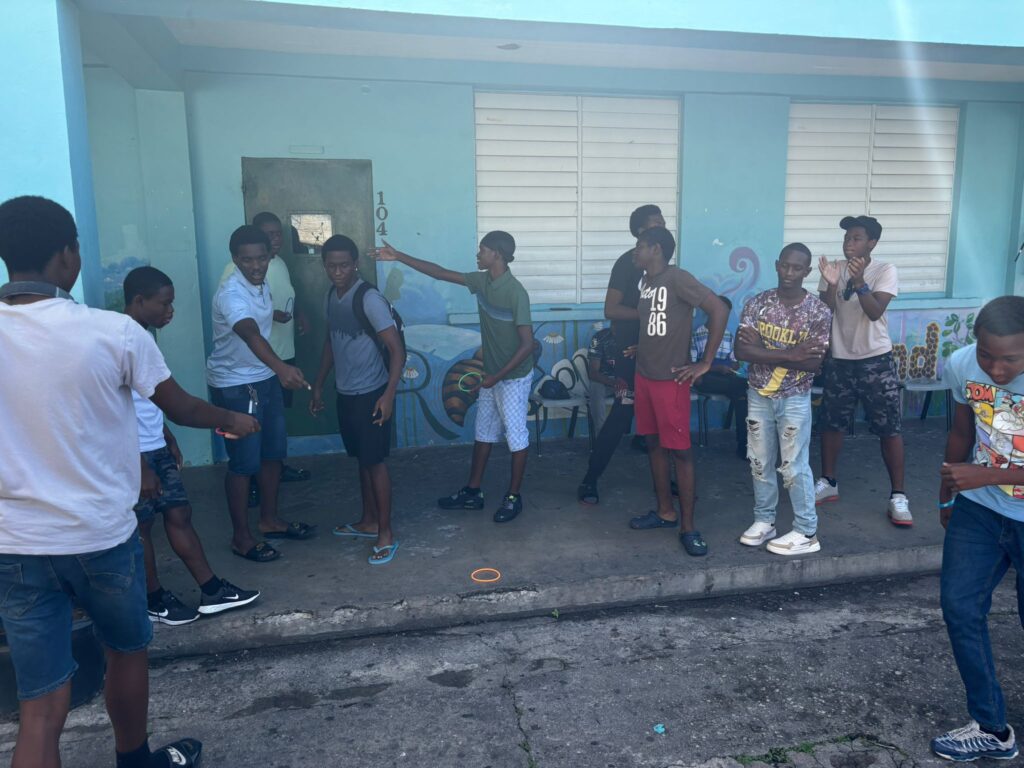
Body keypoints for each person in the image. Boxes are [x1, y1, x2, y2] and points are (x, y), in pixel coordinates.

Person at [0, 195, 259, 768]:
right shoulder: (111, 332)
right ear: (68, 255)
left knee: (39, 707)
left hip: (14, 542)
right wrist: (232, 419)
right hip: (99, 536)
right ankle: (135, 760)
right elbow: (181, 406)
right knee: (125, 652)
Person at [124, 266, 260, 624]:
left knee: (179, 513)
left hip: (154, 444)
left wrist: (165, 434)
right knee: (142, 527)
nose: (170, 311)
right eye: (164, 303)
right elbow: (111, 408)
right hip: (133, 453)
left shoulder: (143, 337)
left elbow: (148, 399)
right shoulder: (123, 340)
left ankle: (212, 591)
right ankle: (153, 599)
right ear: (138, 301)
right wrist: (138, 463)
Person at [374, 232, 534, 523]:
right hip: (492, 375)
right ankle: (473, 492)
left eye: (482, 250)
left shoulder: (516, 292)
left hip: (513, 378)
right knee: (483, 433)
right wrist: (398, 256)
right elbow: (439, 273)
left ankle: (514, 497)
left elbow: (527, 345)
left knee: (516, 436)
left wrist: (497, 376)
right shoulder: (482, 282)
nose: (478, 254)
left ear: (497, 254)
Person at [930, 296, 1024, 761]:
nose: (996, 369)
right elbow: (962, 433)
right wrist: (948, 493)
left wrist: (984, 475)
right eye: (987, 355)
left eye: (1010, 359)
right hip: (980, 510)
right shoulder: (961, 364)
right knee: (960, 608)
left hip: (993, 491)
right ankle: (991, 727)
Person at [207, 224, 315, 563]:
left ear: (270, 256)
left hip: (264, 378)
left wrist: (281, 315)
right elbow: (250, 333)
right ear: (234, 259)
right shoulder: (231, 294)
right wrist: (282, 368)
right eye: (247, 260)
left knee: (272, 455)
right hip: (236, 386)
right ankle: (241, 537)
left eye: (262, 258)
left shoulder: (262, 283)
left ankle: (269, 520)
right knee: (243, 464)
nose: (256, 266)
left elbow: (261, 320)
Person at [628, 226, 729, 556]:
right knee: (653, 444)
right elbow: (660, 325)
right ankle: (665, 512)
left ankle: (689, 527)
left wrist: (705, 362)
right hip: (645, 377)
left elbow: (719, 309)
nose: (635, 251)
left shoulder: (677, 278)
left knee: (681, 452)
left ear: (656, 249)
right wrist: (642, 347)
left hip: (670, 381)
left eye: (640, 246)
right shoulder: (646, 283)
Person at [310, 236, 404, 565]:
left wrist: (388, 395)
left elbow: (396, 350)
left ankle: (385, 533)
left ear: (355, 264)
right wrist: (319, 384)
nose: (338, 272)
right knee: (362, 460)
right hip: (346, 392)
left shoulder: (369, 299)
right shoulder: (331, 296)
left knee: (375, 462)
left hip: (372, 394)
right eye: (331, 266)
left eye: (344, 265)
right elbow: (331, 342)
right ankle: (368, 521)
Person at [734, 244, 831, 555]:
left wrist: (763, 349)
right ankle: (765, 521)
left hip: (795, 398)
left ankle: (806, 531)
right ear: (777, 265)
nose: (789, 273)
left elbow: (812, 363)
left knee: (793, 466)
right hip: (758, 393)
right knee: (759, 462)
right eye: (785, 266)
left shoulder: (818, 311)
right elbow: (742, 351)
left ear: (807, 271)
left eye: (797, 268)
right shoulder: (758, 304)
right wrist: (792, 353)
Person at [815, 215, 911, 526]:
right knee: (831, 423)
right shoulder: (835, 269)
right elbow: (824, 313)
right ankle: (828, 482)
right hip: (840, 359)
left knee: (888, 428)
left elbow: (874, 311)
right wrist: (831, 284)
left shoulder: (885, 270)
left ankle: (898, 496)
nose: (849, 243)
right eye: (846, 238)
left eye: (856, 238)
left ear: (872, 243)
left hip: (875, 360)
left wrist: (858, 282)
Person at [577, 205, 664, 504]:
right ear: (640, 231)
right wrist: (647, 313)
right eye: (656, 224)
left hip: (658, 353)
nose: (663, 228)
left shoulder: (665, 268)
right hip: (629, 353)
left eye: (664, 223)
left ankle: (665, 483)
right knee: (621, 415)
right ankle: (590, 479)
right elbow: (611, 309)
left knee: (661, 420)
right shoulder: (628, 263)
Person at [221, 211, 310, 486]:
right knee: (247, 449)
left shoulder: (276, 264)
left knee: (273, 439)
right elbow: (243, 322)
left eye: (278, 234)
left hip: (274, 360)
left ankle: (273, 478)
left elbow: (279, 296)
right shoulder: (234, 277)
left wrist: (296, 313)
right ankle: (252, 489)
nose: (275, 240)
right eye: (269, 235)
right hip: (250, 372)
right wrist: (279, 366)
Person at [691, 295, 749, 458]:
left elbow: (735, 362)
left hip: (726, 379)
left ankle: (744, 445)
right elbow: (693, 366)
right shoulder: (698, 334)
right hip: (706, 378)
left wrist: (730, 367)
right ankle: (744, 446)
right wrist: (717, 368)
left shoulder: (728, 335)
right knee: (742, 389)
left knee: (742, 396)